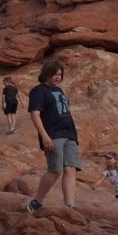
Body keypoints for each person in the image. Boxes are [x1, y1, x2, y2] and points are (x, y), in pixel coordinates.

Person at [26, 59, 82, 215]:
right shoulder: (38, 90)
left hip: (69, 134)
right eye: (55, 74)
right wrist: (44, 135)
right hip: (53, 134)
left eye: (60, 74)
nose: (58, 77)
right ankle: (38, 200)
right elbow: (35, 114)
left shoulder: (60, 91)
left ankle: (69, 206)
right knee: (56, 170)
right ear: (46, 73)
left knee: (70, 169)